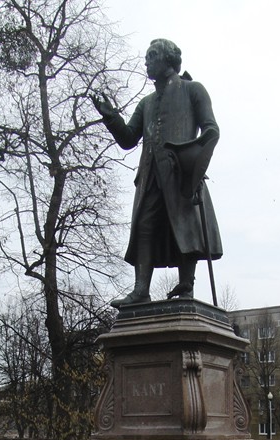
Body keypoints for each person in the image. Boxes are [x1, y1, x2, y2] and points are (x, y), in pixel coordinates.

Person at [92, 38, 222, 308]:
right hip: (150, 175)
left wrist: (195, 163)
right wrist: (111, 117)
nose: (146, 61)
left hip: (181, 175)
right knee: (144, 227)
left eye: (152, 56)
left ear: (168, 59)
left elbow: (211, 130)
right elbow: (128, 139)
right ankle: (141, 290)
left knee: (186, 228)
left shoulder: (193, 90)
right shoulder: (146, 103)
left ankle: (186, 285)